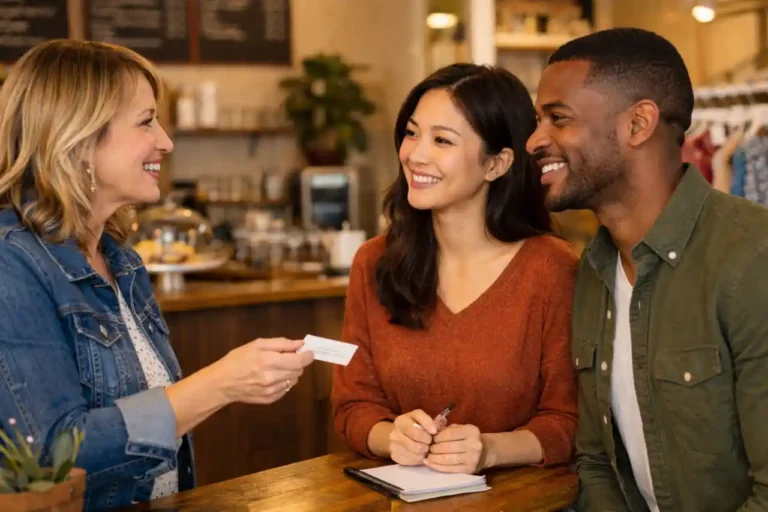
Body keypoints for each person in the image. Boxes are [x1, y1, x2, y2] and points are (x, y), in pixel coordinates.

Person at [0, 40, 314, 510]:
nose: (166, 141)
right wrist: (221, 383)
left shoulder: (120, 259)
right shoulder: (13, 264)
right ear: (80, 138)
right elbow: (51, 458)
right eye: (146, 121)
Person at [527, 27, 768, 511]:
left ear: (638, 124)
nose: (535, 140)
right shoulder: (593, 271)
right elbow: (595, 461)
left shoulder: (751, 258)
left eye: (558, 119)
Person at [331, 63, 579, 474]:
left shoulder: (551, 270)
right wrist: (390, 436)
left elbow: (568, 422)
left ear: (496, 165)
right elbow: (353, 406)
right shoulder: (374, 262)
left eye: (442, 140)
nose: (416, 155)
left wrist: (488, 450)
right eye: (411, 133)